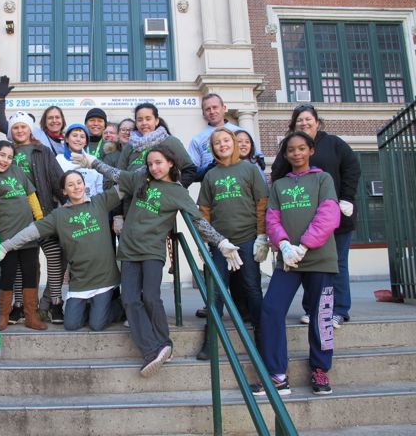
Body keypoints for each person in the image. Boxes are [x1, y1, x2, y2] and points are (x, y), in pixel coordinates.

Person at [72, 145, 243, 377]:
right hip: (129, 250)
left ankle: (163, 344)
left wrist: (221, 242)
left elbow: (198, 221)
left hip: (152, 251)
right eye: (150, 163)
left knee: (151, 297)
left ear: (171, 163)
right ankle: (155, 348)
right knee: (130, 300)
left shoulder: (178, 191)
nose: (154, 168)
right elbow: (116, 174)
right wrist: (93, 162)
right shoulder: (141, 178)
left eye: (159, 163)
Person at [251, 131, 340, 396]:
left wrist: (305, 245)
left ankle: (320, 370)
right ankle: (277, 374)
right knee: (271, 310)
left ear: (311, 150)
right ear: (286, 154)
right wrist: (285, 245)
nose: (297, 153)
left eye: (302, 148)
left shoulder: (323, 179)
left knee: (321, 317)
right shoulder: (279, 185)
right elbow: (272, 220)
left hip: (320, 260)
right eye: (291, 150)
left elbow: (329, 214)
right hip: (288, 262)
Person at [0, 171, 125, 331]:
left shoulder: (99, 202)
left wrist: (95, 164)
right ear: (64, 191)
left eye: (79, 182)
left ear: (84, 185)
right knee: (72, 325)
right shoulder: (58, 216)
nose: (76, 187)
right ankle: (94, 308)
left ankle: (120, 306)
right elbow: (30, 232)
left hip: (104, 279)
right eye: (71, 185)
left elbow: (126, 184)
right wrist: (4, 247)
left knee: (97, 324)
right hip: (80, 281)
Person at [270, 104, 361, 329]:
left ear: (317, 122)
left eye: (308, 119)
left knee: (336, 264)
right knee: (309, 270)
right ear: (293, 125)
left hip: (333, 219)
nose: (304, 123)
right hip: (300, 224)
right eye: (299, 120)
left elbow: (352, 168)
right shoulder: (289, 149)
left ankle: (338, 310)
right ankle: (313, 309)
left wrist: (347, 197)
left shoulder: (334, 144)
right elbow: (278, 177)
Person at [195, 128, 269, 360]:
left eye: (226, 140)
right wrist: (206, 241)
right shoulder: (210, 175)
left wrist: (261, 236)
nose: (222, 145)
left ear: (234, 143)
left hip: (247, 239)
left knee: (252, 288)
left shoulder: (249, 169)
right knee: (216, 292)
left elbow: (262, 203)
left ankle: (262, 336)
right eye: (217, 143)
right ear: (213, 149)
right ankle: (210, 340)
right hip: (220, 243)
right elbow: (204, 211)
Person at [0, 140, 47, 331]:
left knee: (30, 275)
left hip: (28, 235)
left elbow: (31, 195)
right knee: (7, 276)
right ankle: (3, 316)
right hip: (6, 237)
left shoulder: (17, 171)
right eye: (2, 155)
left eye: (9, 157)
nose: (6, 160)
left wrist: (40, 219)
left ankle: (31, 316)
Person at [7, 111, 66, 324]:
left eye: (23, 126)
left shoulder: (43, 151)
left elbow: (58, 179)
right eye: (15, 127)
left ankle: (55, 303)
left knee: (55, 256)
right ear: (10, 131)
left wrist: (69, 204)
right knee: (22, 263)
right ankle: (20, 305)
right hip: (17, 217)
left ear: (30, 129)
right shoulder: (6, 152)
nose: (20, 130)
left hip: (43, 213)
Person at [187, 94, 263, 178]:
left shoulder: (241, 133)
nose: (212, 111)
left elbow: (257, 160)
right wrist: (208, 170)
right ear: (203, 113)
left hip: (242, 183)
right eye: (208, 109)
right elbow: (191, 170)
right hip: (213, 184)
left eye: (215, 107)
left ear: (224, 108)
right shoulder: (197, 139)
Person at [0, 76, 66, 156]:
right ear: (44, 122)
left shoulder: (70, 138)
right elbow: (2, 125)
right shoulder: (35, 132)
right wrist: (0, 99)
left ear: (62, 120)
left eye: (57, 117)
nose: (54, 121)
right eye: (50, 118)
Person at [56, 124, 104, 198]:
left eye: (82, 137)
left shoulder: (92, 160)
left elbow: (99, 188)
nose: (78, 139)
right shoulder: (58, 159)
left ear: (86, 142)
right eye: (75, 135)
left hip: (91, 206)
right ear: (67, 139)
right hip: (67, 206)